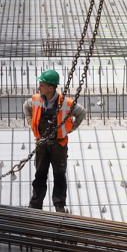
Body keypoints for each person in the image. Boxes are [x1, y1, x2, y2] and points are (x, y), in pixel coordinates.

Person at [23, 69, 85, 213]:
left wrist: (70, 129)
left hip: (59, 145)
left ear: (51, 88)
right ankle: (36, 204)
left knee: (59, 175)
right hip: (42, 145)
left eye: (42, 85)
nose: (39, 87)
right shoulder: (36, 99)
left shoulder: (66, 103)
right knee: (40, 174)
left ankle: (59, 205)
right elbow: (26, 107)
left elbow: (81, 112)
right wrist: (31, 123)